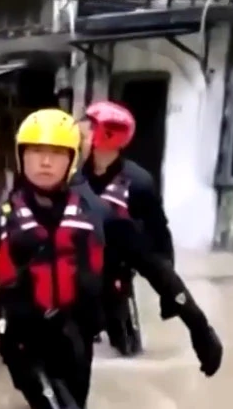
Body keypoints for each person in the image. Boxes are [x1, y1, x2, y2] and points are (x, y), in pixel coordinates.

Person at [0, 108, 222, 409]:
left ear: (72, 159)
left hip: (75, 335)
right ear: (21, 157)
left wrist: (199, 327)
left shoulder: (101, 217)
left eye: (56, 153)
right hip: (22, 336)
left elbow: (154, 267)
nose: (45, 162)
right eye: (35, 151)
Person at [75, 100, 177, 356]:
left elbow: (158, 231)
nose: (80, 134)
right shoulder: (76, 176)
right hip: (80, 267)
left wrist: (169, 288)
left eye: (88, 129)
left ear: (106, 135)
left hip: (116, 269)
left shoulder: (138, 182)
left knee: (124, 340)